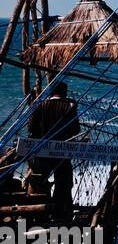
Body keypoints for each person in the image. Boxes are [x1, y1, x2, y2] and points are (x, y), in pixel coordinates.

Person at [28, 81, 81, 222]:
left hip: (42, 152)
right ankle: (61, 214)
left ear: (51, 92)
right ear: (64, 92)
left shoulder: (41, 105)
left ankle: (39, 214)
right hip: (62, 152)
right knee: (63, 184)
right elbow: (76, 129)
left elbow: (31, 128)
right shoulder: (69, 106)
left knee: (40, 182)